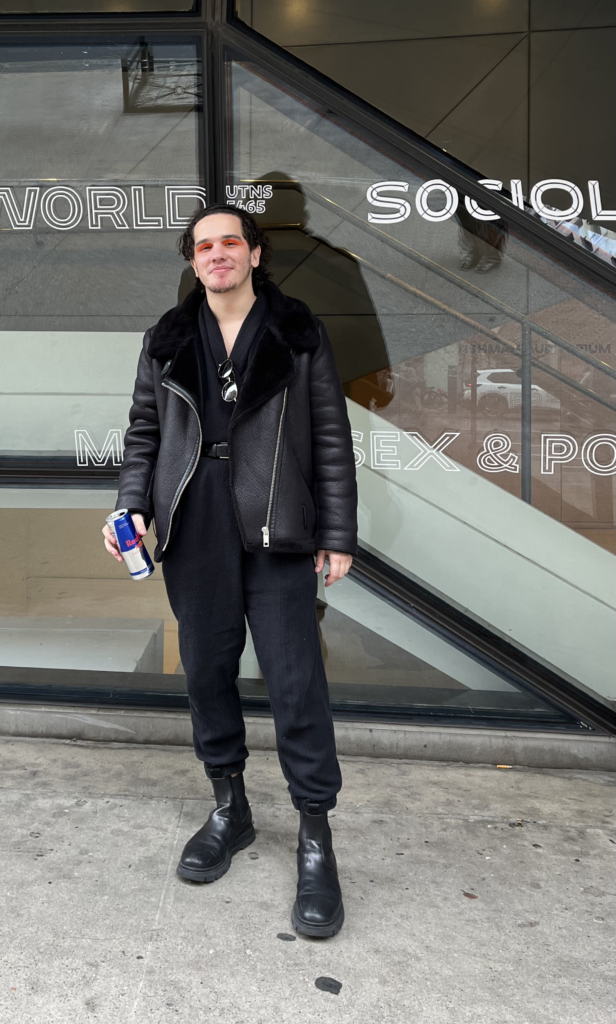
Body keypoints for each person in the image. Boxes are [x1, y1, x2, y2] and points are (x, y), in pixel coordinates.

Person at [103, 203, 357, 938]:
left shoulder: (298, 332)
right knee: (206, 672)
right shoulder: (168, 338)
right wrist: (133, 508)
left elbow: (331, 438)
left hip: (276, 525)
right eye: (203, 245)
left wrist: (336, 531)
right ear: (192, 260)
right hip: (194, 525)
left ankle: (315, 835)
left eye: (229, 243)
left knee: (294, 680)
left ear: (254, 253)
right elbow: (144, 431)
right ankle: (230, 808)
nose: (216, 255)